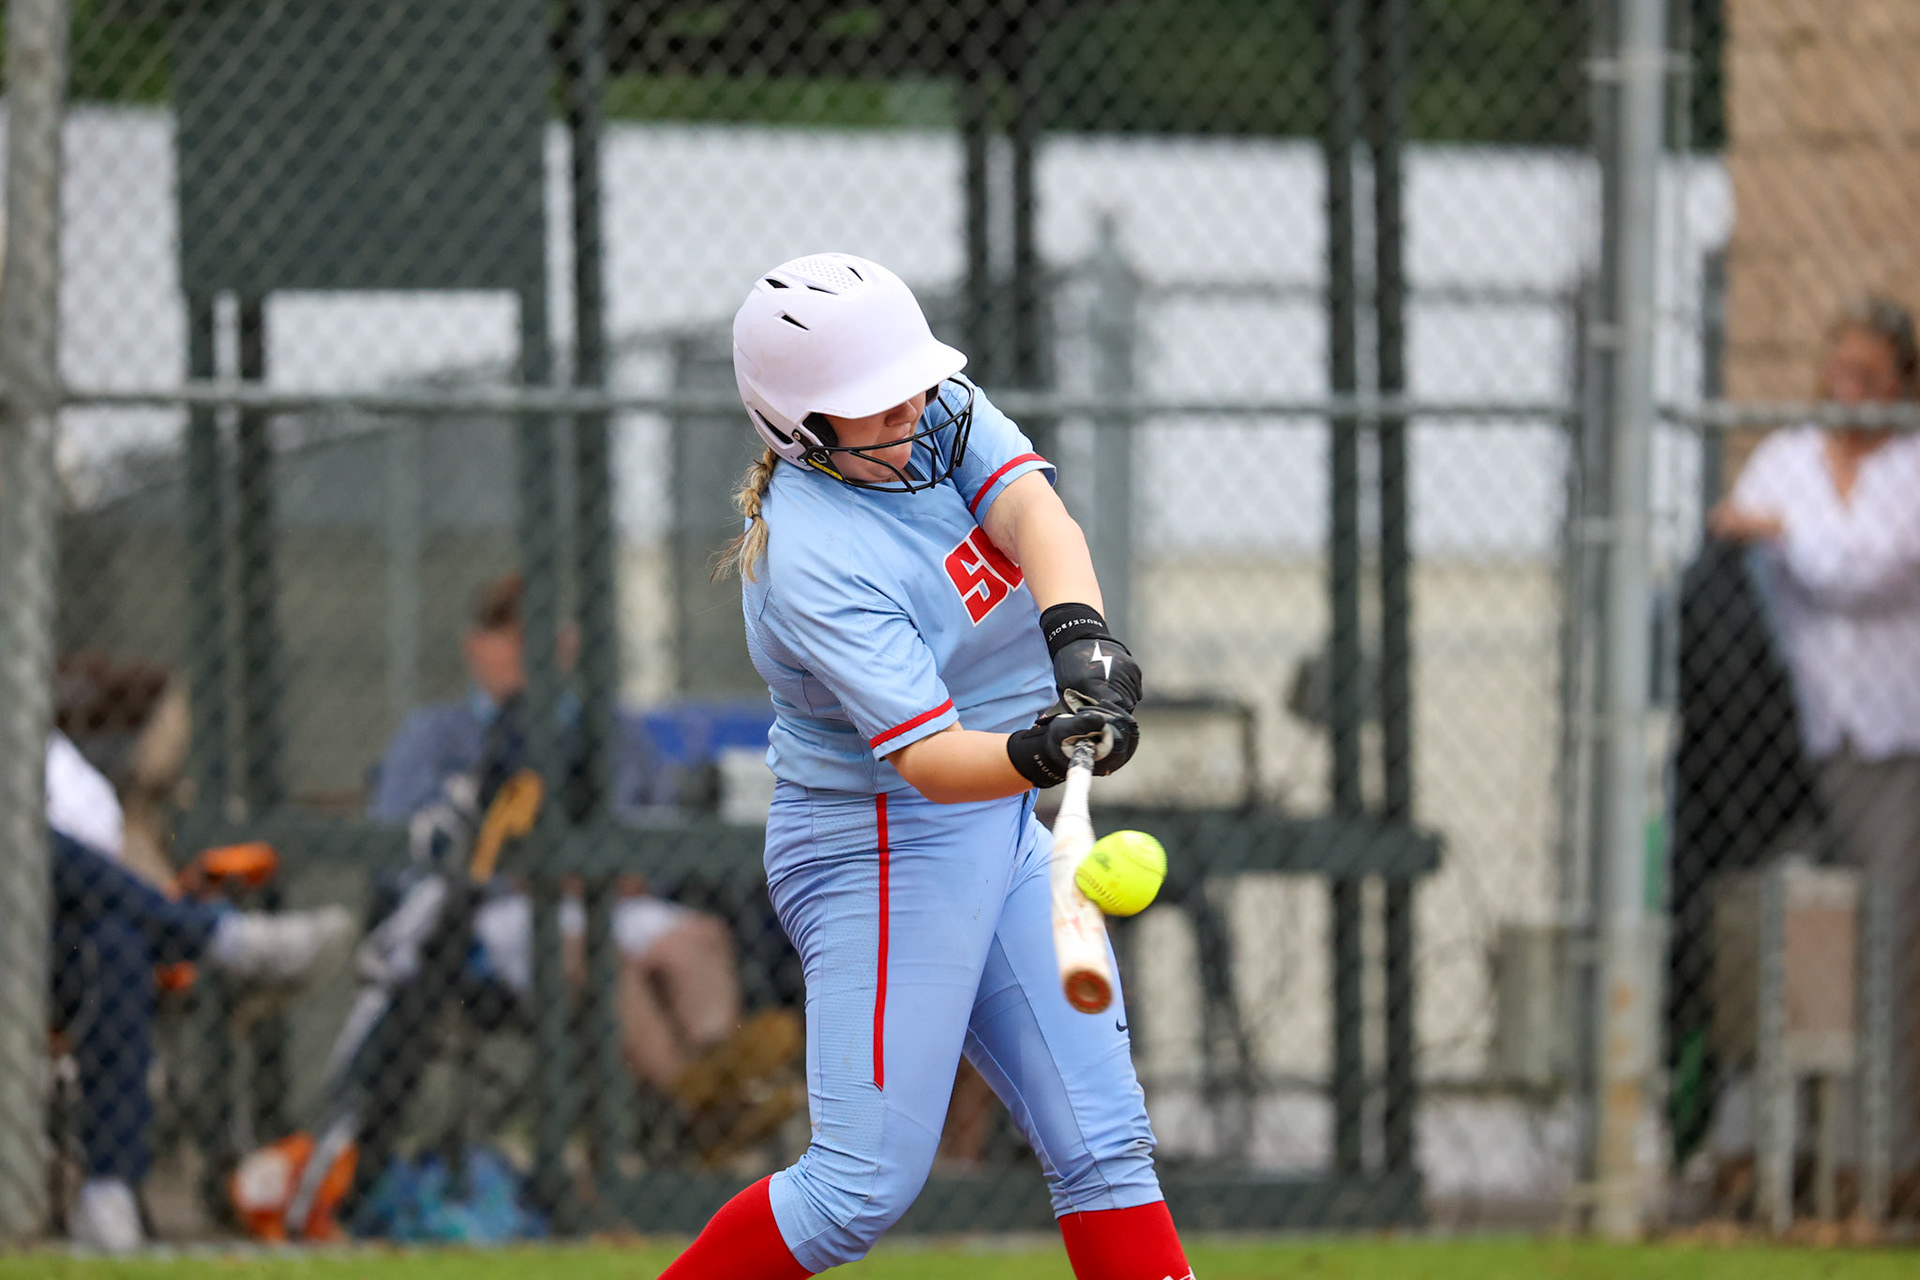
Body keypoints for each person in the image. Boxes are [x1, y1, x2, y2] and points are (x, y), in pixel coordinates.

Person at [658, 253, 1188, 1280]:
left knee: (1104, 1139)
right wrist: (1047, 746)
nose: (914, 408)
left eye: (911, 384)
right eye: (875, 405)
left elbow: (1037, 515)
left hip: (987, 824)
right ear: (802, 429)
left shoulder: (931, 404)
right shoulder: (812, 556)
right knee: (857, 1187)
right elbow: (937, 763)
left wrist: (1083, 644)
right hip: (883, 841)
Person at [368, 573, 799, 1150]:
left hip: (612, 896)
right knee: (590, 950)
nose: (521, 645)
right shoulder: (436, 734)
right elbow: (399, 861)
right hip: (497, 916)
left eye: (537, 631)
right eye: (504, 631)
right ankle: (700, 1113)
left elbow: (662, 833)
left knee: (698, 937)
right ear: (475, 647)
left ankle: (715, 1100)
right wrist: (512, 872)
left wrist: (628, 869)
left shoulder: (611, 731)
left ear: (567, 645)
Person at [1710, 296, 1920, 1210]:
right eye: (1839, 373)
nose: (1849, 392)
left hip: (1889, 741)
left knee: (1890, 949)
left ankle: (1880, 1163)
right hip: (1788, 742)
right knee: (1773, 942)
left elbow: (1868, 575)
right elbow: (1730, 531)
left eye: (1870, 379)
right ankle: (1758, 1155)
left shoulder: (1911, 467)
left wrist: (1785, 533)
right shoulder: (1786, 455)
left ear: (1905, 388)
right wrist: (1779, 533)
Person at [47, 730, 354, 1253]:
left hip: (43, 944)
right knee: (19, 833)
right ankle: (220, 937)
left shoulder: (27, 729)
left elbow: (97, 827)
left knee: (117, 948)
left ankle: (107, 1197)